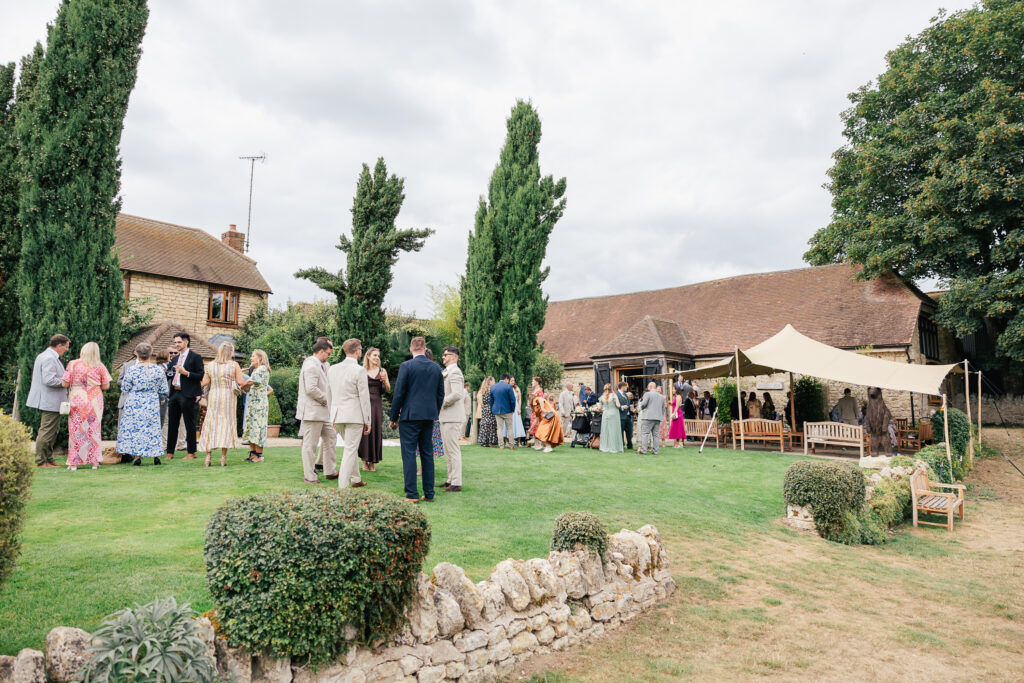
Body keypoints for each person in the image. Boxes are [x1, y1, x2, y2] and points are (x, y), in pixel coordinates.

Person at [389, 336, 444, 503]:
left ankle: (412, 494)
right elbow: (440, 394)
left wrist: (393, 417)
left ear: (411, 349)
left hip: (410, 416)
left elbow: (399, 393)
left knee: (409, 454)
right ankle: (429, 493)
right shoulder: (436, 368)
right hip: (429, 416)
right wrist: (434, 411)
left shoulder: (406, 366)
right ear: (425, 348)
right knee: (427, 454)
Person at [198, 342, 250, 467]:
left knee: (211, 423)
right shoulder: (234, 365)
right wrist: (250, 382)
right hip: (228, 396)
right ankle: (223, 457)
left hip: (214, 395)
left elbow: (204, 382)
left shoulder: (210, 365)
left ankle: (208, 457)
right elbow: (240, 382)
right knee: (226, 423)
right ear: (231, 352)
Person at [60, 341, 112, 470]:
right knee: (93, 430)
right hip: (95, 399)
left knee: (75, 430)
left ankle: (74, 463)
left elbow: (65, 383)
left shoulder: (73, 364)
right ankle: (94, 462)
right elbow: (106, 386)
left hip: (77, 398)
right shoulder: (100, 366)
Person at [328, 338, 371, 489]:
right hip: (354, 416)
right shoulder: (359, 370)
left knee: (349, 447)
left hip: (338, 415)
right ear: (358, 350)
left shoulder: (332, 368)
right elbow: (364, 398)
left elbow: (329, 395)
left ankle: (356, 479)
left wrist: (331, 415)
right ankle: (342, 487)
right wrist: (368, 421)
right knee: (350, 450)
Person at [116, 343, 169, 466]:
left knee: (136, 428)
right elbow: (163, 389)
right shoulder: (158, 370)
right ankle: (156, 456)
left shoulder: (132, 369)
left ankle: (137, 456)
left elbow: (125, 387)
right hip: (151, 400)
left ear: (137, 354)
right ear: (151, 354)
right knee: (153, 427)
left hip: (135, 400)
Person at [297, 338, 338, 484]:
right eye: (327, 353)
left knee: (331, 436)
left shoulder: (324, 364)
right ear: (320, 351)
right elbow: (311, 389)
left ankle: (330, 471)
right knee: (310, 445)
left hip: (323, 412)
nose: (328, 356)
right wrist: (328, 399)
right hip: (312, 412)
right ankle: (309, 476)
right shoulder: (310, 365)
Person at [27, 334, 70, 468]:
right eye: (66, 347)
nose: (67, 350)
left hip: (51, 400)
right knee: (46, 431)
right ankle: (40, 461)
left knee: (52, 431)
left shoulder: (47, 356)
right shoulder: (49, 358)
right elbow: (49, 380)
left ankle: (48, 459)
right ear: (59, 346)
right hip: (49, 400)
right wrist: (65, 382)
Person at [166, 332, 205, 460]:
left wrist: (186, 373)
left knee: (190, 424)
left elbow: (200, 375)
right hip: (174, 393)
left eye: (179, 342)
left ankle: (191, 452)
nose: (176, 345)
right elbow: (169, 374)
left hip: (188, 394)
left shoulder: (195, 357)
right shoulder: (175, 359)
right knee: (172, 423)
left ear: (186, 342)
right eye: (175, 342)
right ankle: (170, 452)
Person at [357, 346, 390, 472]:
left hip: (376, 404)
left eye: (378, 355)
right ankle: (364, 461)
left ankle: (373, 462)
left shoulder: (382, 371)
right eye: (374, 355)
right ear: (368, 356)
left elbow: (388, 389)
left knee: (376, 430)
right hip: (364, 403)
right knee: (365, 431)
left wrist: (384, 381)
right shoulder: (362, 370)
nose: (377, 357)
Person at [439, 346, 466, 492]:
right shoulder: (446, 372)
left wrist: (441, 402)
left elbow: (457, 394)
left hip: (452, 416)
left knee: (453, 449)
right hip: (445, 416)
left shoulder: (455, 372)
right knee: (447, 449)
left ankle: (456, 482)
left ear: (454, 357)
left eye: (445, 355)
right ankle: (450, 479)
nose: (443, 357)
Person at [241, 349, 271, 463]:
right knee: (251, 427)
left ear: (260, 358)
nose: (251, 358)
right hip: (253, 403)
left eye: (253, 356)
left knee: (258, 427)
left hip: (259, 404)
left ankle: (259, 455)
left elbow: (250, 382)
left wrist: (241, 387)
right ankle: (252, 454)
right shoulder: (257, 370)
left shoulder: (262, 369)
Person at [489, 374, 517, 450]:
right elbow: (512, 400)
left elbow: (491, 400)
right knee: (510, 428)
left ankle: (501, 446)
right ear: (506, 379)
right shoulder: (508, 387)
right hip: (507, 410)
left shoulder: (493, 387)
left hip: (497, 411)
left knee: (499, 429)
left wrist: (493, 409)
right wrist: (513, 409)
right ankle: (511, 445)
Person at [638, 381, 666, 455]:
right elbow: (663, 409)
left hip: (648, 417)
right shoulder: (661, 396)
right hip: (657, 418)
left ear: (650, 387)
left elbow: (643, 404)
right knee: (656, 435)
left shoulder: (647, 394)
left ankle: (644, 450)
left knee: (645, 434)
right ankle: (656, 451)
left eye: (648, 387)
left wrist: (641, 407)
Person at [864, 388, 893, 456]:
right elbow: (867, 417)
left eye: (874, 390)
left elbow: (887, 414)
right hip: (873, 430)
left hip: (882, 429)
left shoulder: (882, 405)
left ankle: (888, 451)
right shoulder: (869, 406)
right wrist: (868, 426)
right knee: (873, 440)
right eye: (870, 390)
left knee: (886, 439)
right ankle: (874, 451)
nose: (871, 391)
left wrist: (885, 425)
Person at [598, 383, 624, 453]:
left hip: (605, 414)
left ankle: (605, 447)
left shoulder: (602, 396)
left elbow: (599, 408)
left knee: (605, 431)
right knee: (614, 431)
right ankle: (614, 447)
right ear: (611, 388)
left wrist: (603, 409)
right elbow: (618, 405)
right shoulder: (614, 395)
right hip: (614, 414)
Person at [477, 376, 498, 447]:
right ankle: (492, 442)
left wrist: (483, 405)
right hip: (491, 408)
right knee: (492, 424)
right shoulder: (492, 390)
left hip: (484, 408)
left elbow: (480, 400)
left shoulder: (483, 390)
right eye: (493, 381)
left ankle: (484, 441)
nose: (495, 382)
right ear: (490, 381)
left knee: (485, 424)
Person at [614, 382, 634, 450]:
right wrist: (622, 407)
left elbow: (627, 404)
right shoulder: (616, 395)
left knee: (629, 431)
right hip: (621, 416)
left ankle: (630, 445)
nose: (626, 388)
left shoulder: (625, 394)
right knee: (621, 432)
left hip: (628, 416)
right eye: (625, 386)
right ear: (622, 387)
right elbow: (614, 406)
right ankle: (621, 445)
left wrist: (630, 408)